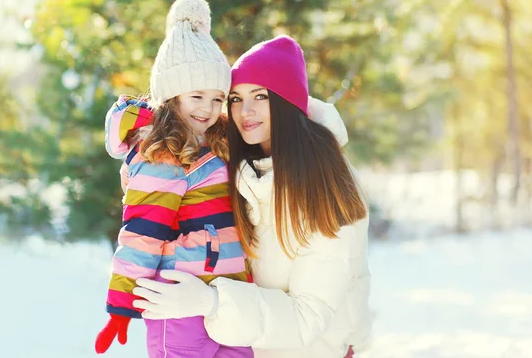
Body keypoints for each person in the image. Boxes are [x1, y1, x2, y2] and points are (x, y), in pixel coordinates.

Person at [132, 35, 371, 358]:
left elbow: (308, 316)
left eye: (260, 96)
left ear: (286, 101)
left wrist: (212, 302)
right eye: (235, 98)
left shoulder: (326, 181)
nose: (245, 110)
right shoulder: (238, 166)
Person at [95, 0, 253, 358]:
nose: (208, 109)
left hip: (228, 292)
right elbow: (143, 229)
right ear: (172, 96)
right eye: (197, 96)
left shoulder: (216, 144)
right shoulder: (162, 153)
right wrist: (121, 304)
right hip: (178, 295)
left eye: (217, 99)